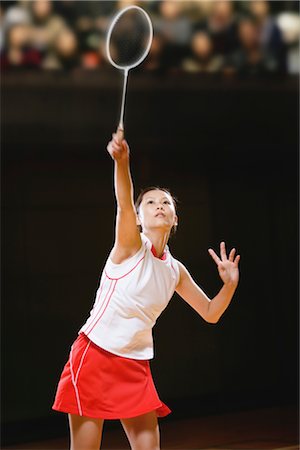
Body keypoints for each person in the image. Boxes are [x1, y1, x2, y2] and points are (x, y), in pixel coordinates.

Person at [52, 131, 240, 450]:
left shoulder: (174, 270)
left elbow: (211, 313)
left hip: (135, 364)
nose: (158, 206)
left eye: (165, 202)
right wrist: (122, 161)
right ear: (139, 219)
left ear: (175, 218)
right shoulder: (129, 246)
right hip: (95, 354)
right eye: (150, 202)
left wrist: (230, 285)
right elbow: (123, 201)